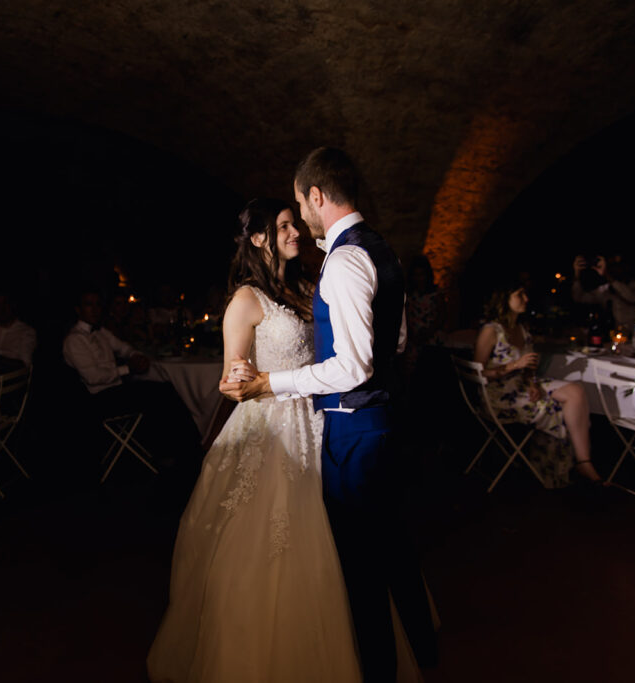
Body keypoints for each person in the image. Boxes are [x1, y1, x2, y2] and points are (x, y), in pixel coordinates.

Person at [221, 148, 437, 682]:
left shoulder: (340, 262)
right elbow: (398, 339)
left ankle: (379, 669)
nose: (298, 222)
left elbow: (353, 366)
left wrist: (275, 381)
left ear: (316, 196)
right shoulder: (381, 250)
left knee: (364, 566)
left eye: (299, 206)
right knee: (390, 547)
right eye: (285, 221)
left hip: (350, 426)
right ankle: (424, 651)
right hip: (362, 422)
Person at [147, 198, 362, 683]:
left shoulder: (300, 286)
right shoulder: (245, 300)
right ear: (260, 238)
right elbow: (231, 378)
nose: (294, 233)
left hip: (313, 422)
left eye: (294, 224)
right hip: (269, 429)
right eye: (283, 226)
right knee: (267, 543)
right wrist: (235, 379)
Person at [475, 281, 604, 487]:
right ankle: (559, 468)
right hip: (499, 397)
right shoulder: (491, 330)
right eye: (520, 294)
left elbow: (529, 368)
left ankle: (583, 462)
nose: (526, 299)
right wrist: (514, 365)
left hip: (523, 387)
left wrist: (533, 383)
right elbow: (479, 372)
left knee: (576, 391)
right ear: (504, 299)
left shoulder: (522, 328)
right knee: (560, 408)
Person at [63, 288, 198, 464]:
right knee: (161, 395)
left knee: (165, 387)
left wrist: (135, 355)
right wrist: (128, 369)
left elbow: (123, 347)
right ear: (78, 310)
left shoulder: (100, 331)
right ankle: (182, 450)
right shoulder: (74, 340)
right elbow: (93, 377)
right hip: (98, 400)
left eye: (97, 304)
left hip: (116, 390)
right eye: (89, 305)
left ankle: (180, 447)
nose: (95, 309)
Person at [571, 253, 635, 333]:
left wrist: (607, 276)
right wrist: (577, 275)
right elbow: (579, 298)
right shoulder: (606, 289)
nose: (616, 269)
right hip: (617, 336)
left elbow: (632, 298)